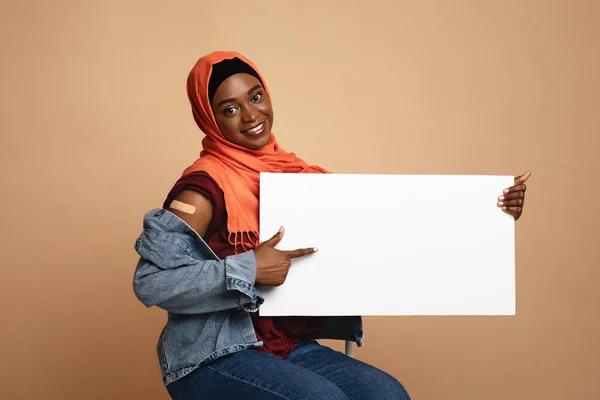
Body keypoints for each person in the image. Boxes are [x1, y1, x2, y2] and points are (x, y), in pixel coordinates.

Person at [133, 51, 530, 400]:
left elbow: (393, 232)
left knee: (389, 395)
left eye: (256, 96)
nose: (252, 115)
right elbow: (150, 282)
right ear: (210, 117)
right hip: (213, 355)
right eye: (230, 108)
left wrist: (489, 214)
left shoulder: (299, 177)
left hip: (285, 347)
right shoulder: (202, 188)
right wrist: (249, 269)